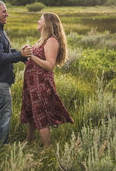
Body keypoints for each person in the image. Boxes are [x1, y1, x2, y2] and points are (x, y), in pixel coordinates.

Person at [0, 0, 32, 145]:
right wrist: (19, 55)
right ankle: (2, 145)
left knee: (0, 112)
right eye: (4, 12)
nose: (7, 14)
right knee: (4, 113)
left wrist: (20, 55)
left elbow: (5, 52)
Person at [20, 12, 74, 148]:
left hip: (41, 84)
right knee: (31, 112)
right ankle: (30, 138)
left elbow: (49, 65)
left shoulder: (51, 41)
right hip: (31, 84)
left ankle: (47, 149)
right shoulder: (42, 40)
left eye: (40, 19)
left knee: (40, 115)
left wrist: (32, 56)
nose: (38, 21)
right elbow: (35, 63)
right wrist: (25, 56)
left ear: (47, 24)